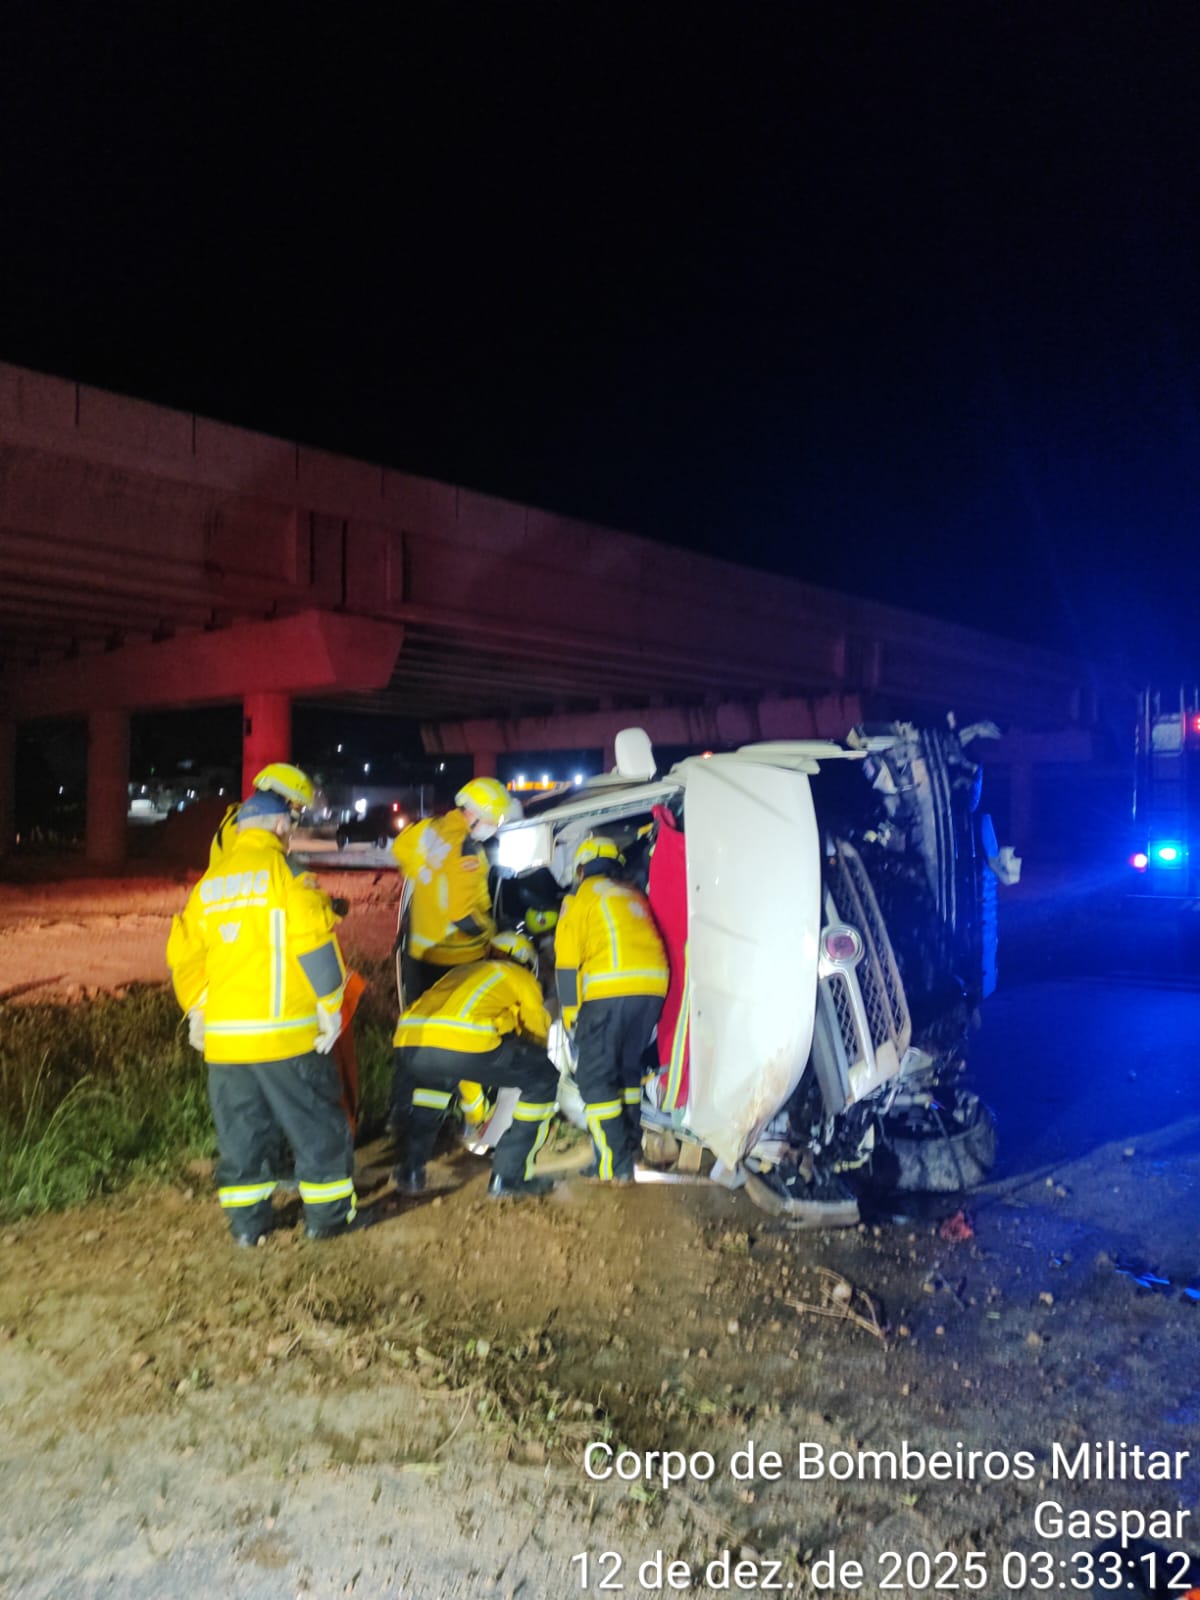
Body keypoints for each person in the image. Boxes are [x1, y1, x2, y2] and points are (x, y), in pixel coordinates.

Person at [166, 788, 360, 1245]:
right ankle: (327, 1220)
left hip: (226, 1043)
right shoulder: (288, 874)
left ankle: (247, 1227)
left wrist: (198, 1008)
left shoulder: (209, 884)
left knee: (242, 1135)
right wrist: (331, 1006)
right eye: (289, 828)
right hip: (285, 1036)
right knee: (317, 1127)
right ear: (278, 827)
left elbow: (185, 956)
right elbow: (315, 942)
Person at [390, 930, 559, 1199]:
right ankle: (508, 1177)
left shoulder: (463, 973)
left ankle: (411, 1171)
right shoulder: (518, 976)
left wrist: (475, 1112)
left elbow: (459, 1062)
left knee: (430, 1094)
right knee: (543, 1077)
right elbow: (536, 1032)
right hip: (463, 1043)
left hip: (410, 1043)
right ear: (527, 962)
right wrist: (529, 1059)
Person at [554, 834, 669, 1182]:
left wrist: (572, 1014)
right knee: (625, 1073)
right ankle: (628, 1148)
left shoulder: (581, 896)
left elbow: (566, 961)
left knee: (594, 1078)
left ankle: (613, 1165)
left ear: (583, 866)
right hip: (652, 989)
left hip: (609, 989)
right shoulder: (633, 893)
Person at [390, 776, 515, 1003]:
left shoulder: (429, 828)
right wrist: (492, 932)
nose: (495, 827)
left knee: (420, 1022)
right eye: (494, 820)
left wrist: (426, 872)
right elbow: (462, 915)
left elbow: (400, 847)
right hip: (456, 958)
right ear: (475, 813)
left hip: (418, 953)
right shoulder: (468, 853)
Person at [209, 761, 315, 867]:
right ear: (282, 800)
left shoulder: (245, 817)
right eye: (296, 809)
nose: (296, 817)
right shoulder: (248, 827)